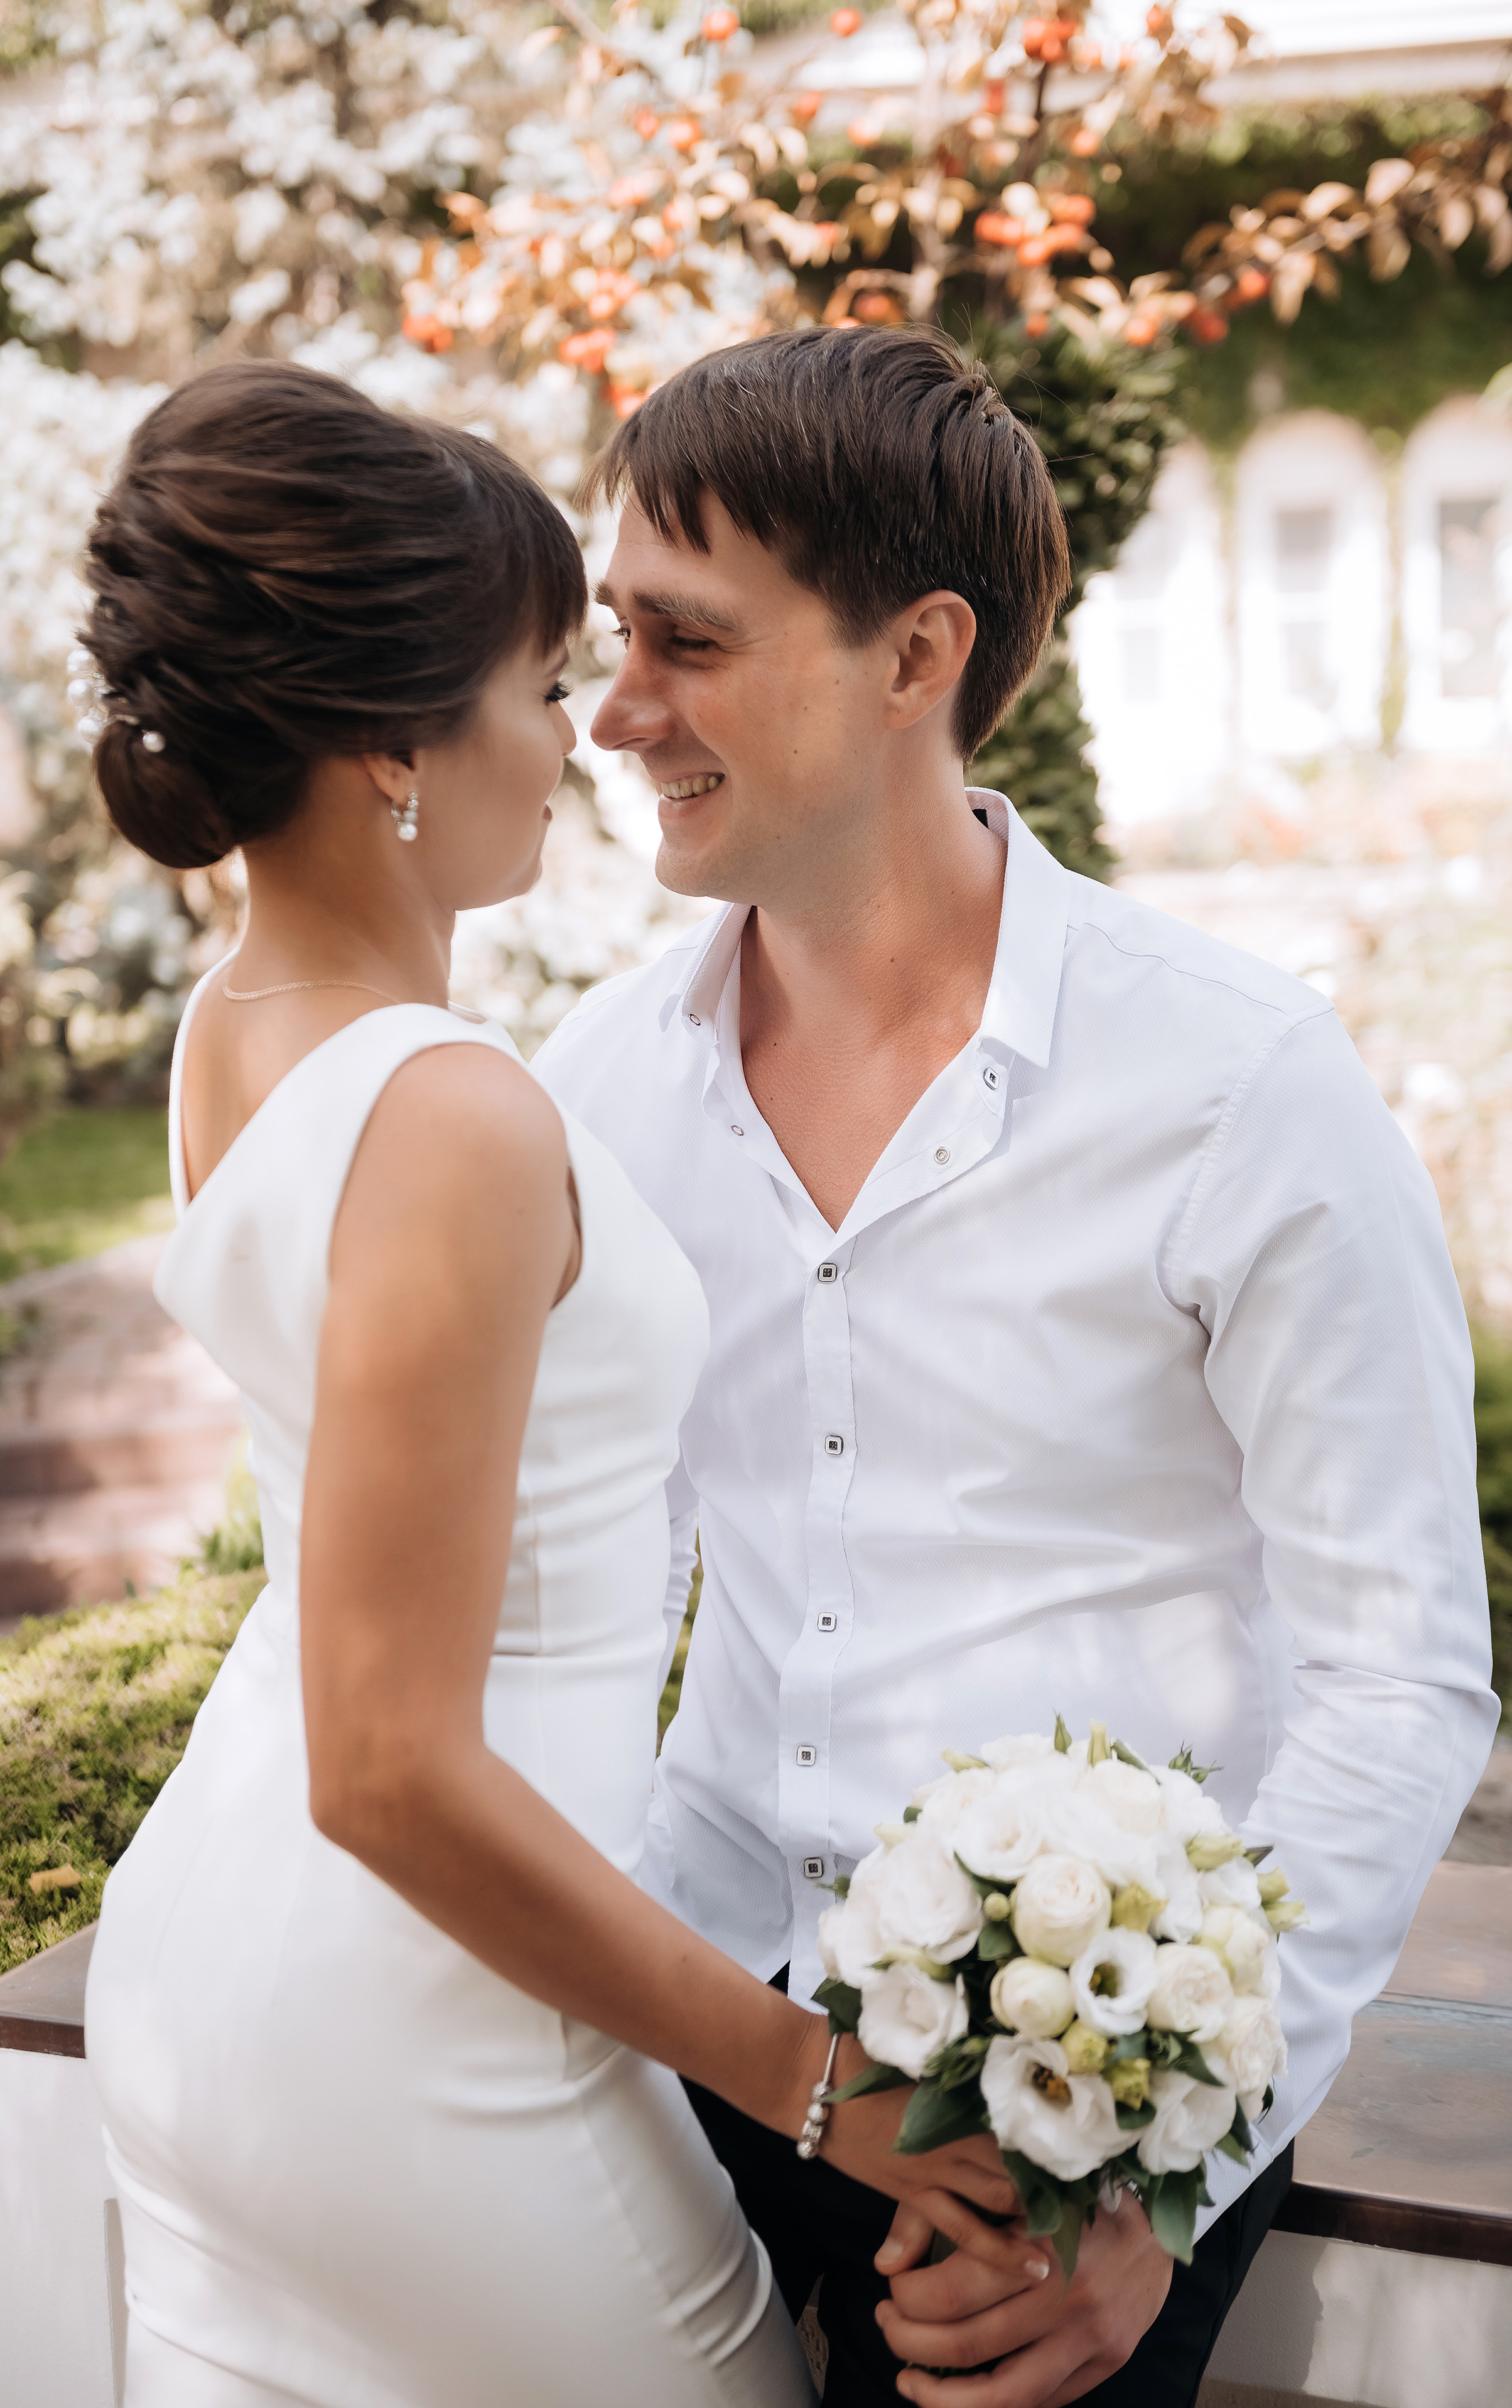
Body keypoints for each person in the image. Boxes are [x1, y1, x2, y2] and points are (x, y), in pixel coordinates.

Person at [534, 324, 1498, 2408]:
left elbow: (1400, 1672)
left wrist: (1167, 2168)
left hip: (1070, 2102)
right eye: (619, 637)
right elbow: (583, 1592)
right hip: (701, 2013)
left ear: (917, 655)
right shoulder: (595, 1088)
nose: (615, 711)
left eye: (688, 641)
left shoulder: (1239, 1085)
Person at [80, 360, 1035, 2408]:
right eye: (538, 685)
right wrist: (814, 2080)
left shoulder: (234, 1030)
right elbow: (387, 1764)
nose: (581, 734)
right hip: (436, 2015)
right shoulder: (451, 1117)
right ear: (390, 750)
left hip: (213, 1965)